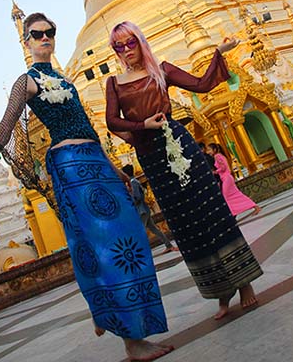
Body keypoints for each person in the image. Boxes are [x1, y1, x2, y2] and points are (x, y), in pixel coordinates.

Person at [0, 13, 174, 362]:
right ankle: (131, 341)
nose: (45, 38)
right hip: (69, 166)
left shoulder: (65, 81)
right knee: (101, 246)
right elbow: (3, 130)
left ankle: (115, 313)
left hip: (95, 160)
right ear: (27, 41)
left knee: (132, 238)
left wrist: (114, 169)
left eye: (50, 33)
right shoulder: (26, 83)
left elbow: (89, 129)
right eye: (37, 35)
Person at [105, 21, 262, 320]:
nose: (126, 50)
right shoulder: (114, 83)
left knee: (212, 211)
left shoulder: (161, 69)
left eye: (130, 42)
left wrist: (219, 52)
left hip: (180, 145)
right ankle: (221, 291)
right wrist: (142, 126)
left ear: (140, 41)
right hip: (152, 157)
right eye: (119, 46)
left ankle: (244, 283)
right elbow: (112, 120)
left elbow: (201, 84)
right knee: (186, 225)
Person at [122, 164, 178, 255]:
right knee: (154, 229)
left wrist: (131, 201)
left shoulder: (133, 183)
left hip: (141, 211)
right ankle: (168, 245)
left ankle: (141, 252)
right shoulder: (134, 181)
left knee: (140, 231)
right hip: (144, 209)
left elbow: (138, 197)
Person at [207, 143, 261, 218]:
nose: (208, 152)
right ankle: (254, 207)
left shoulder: (217, 156)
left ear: (214, 150)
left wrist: (215, 172)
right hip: (227, 178)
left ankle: (232, 213)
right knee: (236, 194)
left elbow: (223, 167)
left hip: (226, 178)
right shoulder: (220, 155)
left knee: (226, 197)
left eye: (209, 150)